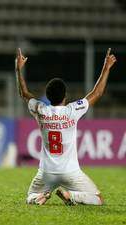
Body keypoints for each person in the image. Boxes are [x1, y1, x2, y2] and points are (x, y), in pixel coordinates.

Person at [15, 48, 116, 205]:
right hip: (71, 172)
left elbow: (24, 93)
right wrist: (106, 68)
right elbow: (97, 93)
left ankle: (39, 198)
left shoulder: (41, 109)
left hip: (46, 173)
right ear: (65, 96)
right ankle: (71, 196)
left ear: (47, 97)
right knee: (97, 199)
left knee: (30, 197)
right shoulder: (72, 110)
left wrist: (18, 70)